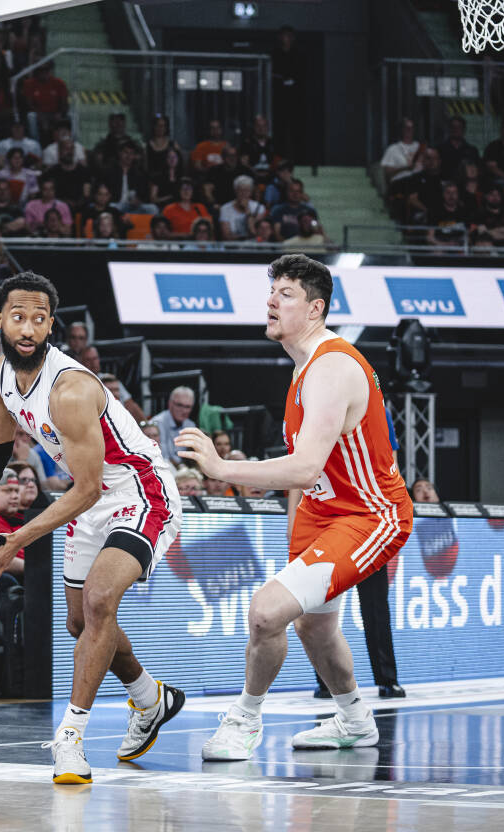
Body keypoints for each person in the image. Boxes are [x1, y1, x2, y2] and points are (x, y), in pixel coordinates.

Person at [177, 254, 413, 760]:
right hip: (321, 512)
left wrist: (221, 468)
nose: (271, 301)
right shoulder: (305, 367)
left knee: (266, 614)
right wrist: (296, 532)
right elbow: (306, 474)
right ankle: (355, 721)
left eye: (286, 294)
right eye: (271, 292)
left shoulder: (331, 367)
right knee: (313, 625)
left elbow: (304, 468)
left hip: (371, 514)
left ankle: (244, 720)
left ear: (315, 308)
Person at [0, 272, 186, 783]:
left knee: (100, 600)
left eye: (38, 319)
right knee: (80, 624)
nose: (27, 329)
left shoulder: (70, 390)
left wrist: (16, 539)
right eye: (18, 317)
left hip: (138, 490)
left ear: (51, 326)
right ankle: (150, 698)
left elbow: (86, 488)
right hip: (90, 496)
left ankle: (70, 738)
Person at [150, 385, 197, 466]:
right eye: (179, 405)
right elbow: (162, 457)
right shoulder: (157, 423)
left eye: (187, 407)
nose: (183, 410)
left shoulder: (191, 425)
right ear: (170, 404)